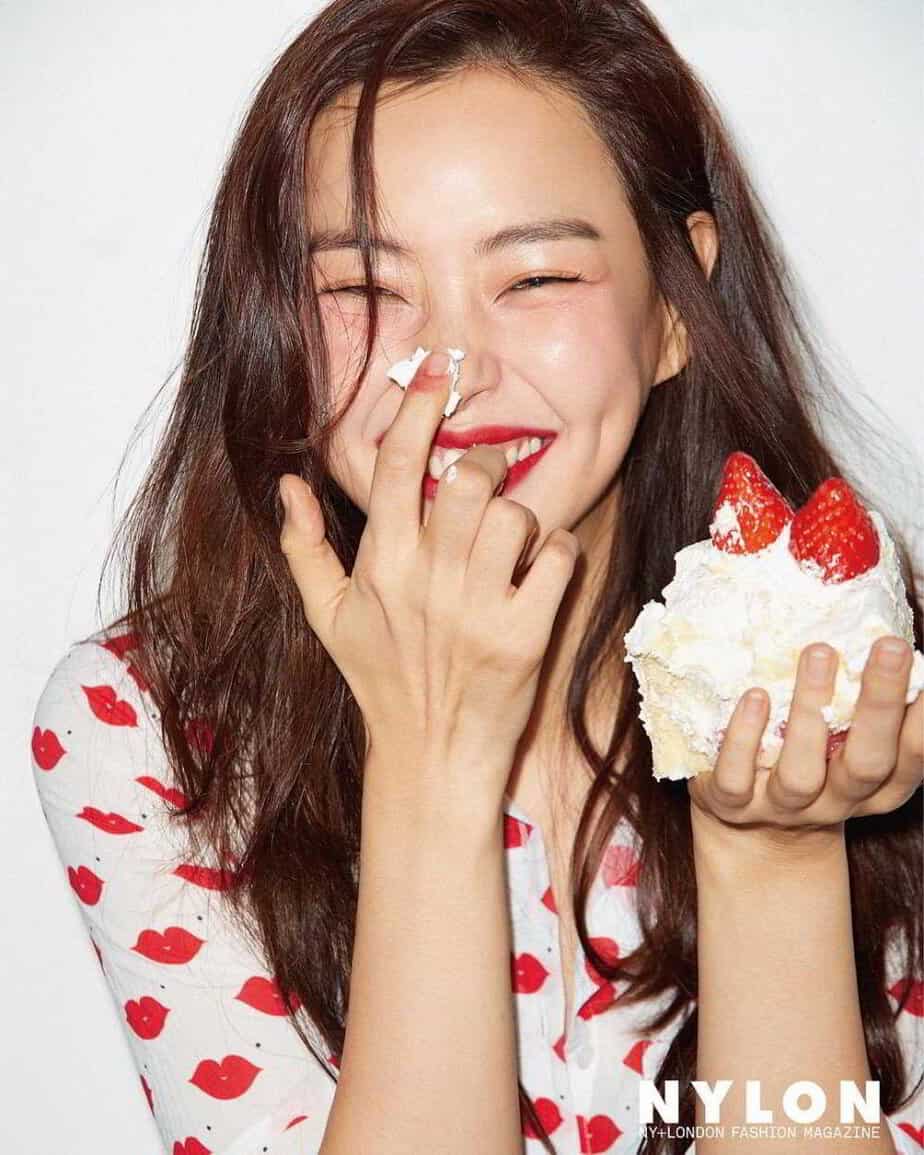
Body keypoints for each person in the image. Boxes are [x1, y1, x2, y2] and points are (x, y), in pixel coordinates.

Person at [29, 1, 923, 1153]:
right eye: (362, 290)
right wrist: (432, 760)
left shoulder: (870, 678)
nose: (449, 368)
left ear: (674, 306)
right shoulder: (146, 726)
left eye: (537, 278)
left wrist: (775, 853)